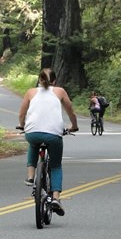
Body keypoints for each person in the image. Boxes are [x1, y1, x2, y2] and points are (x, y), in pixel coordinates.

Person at [18, 68, 78, 216]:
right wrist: (74, 126)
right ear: (54, 81)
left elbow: (22, 113)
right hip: (54, 134)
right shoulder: (60, 92)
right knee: (56, 165)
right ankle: (56, 198)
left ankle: (31, 176)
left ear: (39, 80)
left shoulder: (31, 92)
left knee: (33, 143)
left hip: (33, 132)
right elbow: (71, 112)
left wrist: (23, 125)